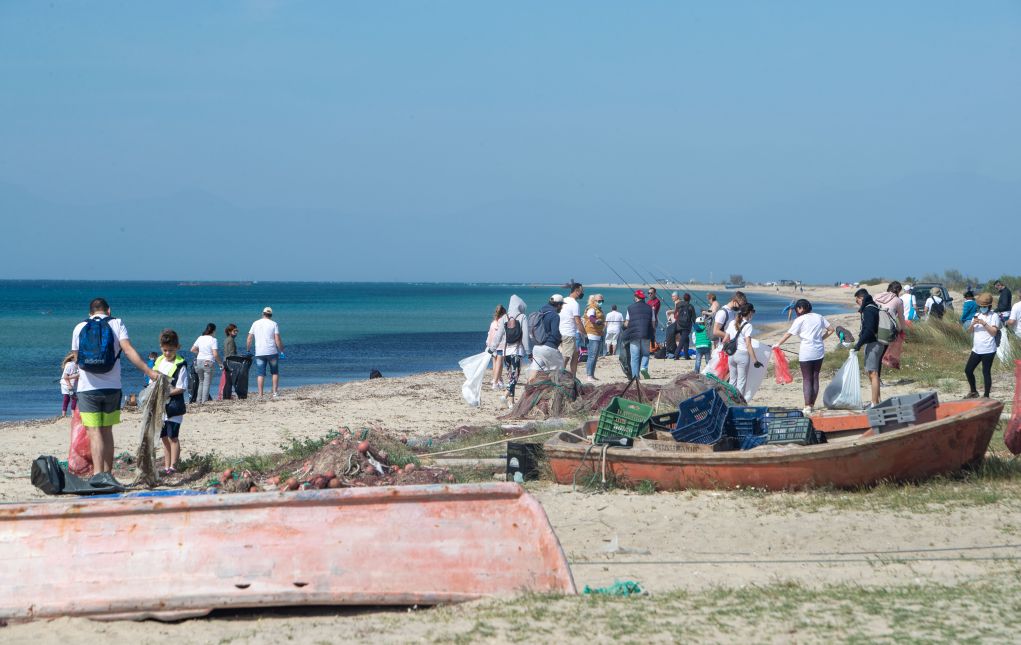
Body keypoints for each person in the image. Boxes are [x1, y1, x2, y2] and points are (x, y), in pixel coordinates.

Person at [71, 297, 159, 479]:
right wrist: (148, 371)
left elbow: (76, 358)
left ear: (90, 313)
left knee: (94, 432)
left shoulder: (79, 327)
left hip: (87, 389)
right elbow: (127, 350)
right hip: (112, 387)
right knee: (107, 430)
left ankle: (97, 475)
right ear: (108, 311)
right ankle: (108, 475)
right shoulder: (117, 323)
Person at [773, 299, 833, 414]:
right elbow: (831, 330)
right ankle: (812, 405)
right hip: (819, 350)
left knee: (807, 378)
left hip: (806, 351)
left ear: (801, 308)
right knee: (815, 377)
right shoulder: (819, 316)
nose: (796, 311)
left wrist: (778, 344)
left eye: (797, 309)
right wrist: (821, 338)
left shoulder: (800, 319)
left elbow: (788, 334)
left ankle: (807, 406)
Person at [154, 329, 189, 475]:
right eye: (165, 350)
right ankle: (166, 465)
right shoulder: (159, 360)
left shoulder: (181, 365)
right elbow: (153, 378)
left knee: (173, 436)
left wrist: (166, 392)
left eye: (171, 350)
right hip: (160, 406)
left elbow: (181, 388)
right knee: (164, 438)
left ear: (177, 347)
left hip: (174, 406)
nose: (167, 353)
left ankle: (174, 465)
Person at [492, 295, 530, 408]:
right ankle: (505, 395)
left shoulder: (505, 317)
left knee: (510, 376)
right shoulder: (522, 316)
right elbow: (525, 336)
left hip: (506, 352)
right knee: (515, 376)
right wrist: (528, 351)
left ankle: (511, 402)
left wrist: (492, 348)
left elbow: (498, 335)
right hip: (516, 351)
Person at [965, 293, 1002, 398]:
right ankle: (973, 391)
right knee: (968, 370)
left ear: (989, 306)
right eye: (981, 306)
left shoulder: (994, 316)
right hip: (976, 349)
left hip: (989, 349)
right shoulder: (977, 315)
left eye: (984, 307)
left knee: (986, 372)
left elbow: (994, 332)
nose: (982, 308)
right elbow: (969, 332)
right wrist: (973, 324)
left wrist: (984, 323)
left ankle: (986, 396)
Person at [722, 303, 762, 400]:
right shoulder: (748, 326)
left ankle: (729, 400)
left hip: (731, 354)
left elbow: (725, 340)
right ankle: (739, 403)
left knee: (732, 380)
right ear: (749, 313)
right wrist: (755, 360)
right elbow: (748, 344)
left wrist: (726, 351)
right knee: (741, 382)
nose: (752, 315)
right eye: (752, 312)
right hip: (742, 355)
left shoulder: (732, 322)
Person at [853, 288, 884, 407]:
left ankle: (874, 403)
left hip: (873, 343)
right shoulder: (874, 306)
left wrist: (858, 344)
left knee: (873, 373)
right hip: (876, 342)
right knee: (871, 372)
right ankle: (877, 400)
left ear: (861, 298)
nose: (858, 304)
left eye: (857, 301)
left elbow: (869, 330)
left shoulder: (869, 309)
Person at [247, 306, 284, 398]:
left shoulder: (255, 323)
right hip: (272, 351)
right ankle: (275, 393)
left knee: (260, 373)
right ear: (271, 315)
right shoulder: (274, 324)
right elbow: (277, 339)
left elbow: (249, 338)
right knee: (274, 372)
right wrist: (281, 350)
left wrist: (248, 349)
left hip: (259, 352)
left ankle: (260, 394)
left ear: (263, 314)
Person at [875, 281, 907, 372]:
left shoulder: (877, 296)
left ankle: (873, 376)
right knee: (881, 354)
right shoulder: (898, 301)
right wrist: (902, 329)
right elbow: (901, 317)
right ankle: (877, 378)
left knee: (874, 353)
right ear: (898, 291)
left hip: (873, 327)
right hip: (886, 330)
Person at [624, 289, 655, 380]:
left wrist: (624, 326)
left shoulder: (630, 308)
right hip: (646, 333)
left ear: (636, 297)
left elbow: (626, 323)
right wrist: (652, 333)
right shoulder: (650, 308)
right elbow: (653, 323)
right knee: (645, 353)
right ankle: (644, 367)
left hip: (633, 335)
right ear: (643, 298)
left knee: (634, 356)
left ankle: (635, 376)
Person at [190, 323, 222, 404]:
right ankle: (204, 401)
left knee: (201, 381)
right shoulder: (213, 340)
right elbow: (215, 354)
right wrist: (220, 364)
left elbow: (192, 349)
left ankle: (198, 400)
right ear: (213, 331)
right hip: (208, 362)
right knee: (206, 383)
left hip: (199, 361)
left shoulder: (200, 338)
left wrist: (200, 354)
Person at [531, 294, 564, 372]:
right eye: (562, 305)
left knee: (535, 371)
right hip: (549, 347)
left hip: (536, 347)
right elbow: (555, 333)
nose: (562, 307)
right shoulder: (554, 315)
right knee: (558, 370)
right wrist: (560, 339)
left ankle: (530, 383)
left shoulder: (541, 311)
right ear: (559, 305)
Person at [558, 282, 585, 376]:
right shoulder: (574, 304)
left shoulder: (563, 300)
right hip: (568, 333)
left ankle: (573, 376)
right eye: (582, 291)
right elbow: (577, 321)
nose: (582, 293)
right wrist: (584, 333)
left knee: (576, 353)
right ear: (577, 291)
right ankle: (559, 376)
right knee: (566, 357)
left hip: (560, 332)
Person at [583, 294, 606, 383]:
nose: (601, 302)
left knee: (596, 356)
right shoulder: (591, 308)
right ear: (594, 301)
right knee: (592, 356)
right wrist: (596, 321)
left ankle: (592, 375)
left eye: (602, 301)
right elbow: (591, 318)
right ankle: (589, 375)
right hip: (592, 334)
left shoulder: (599, 309)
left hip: (598, 334)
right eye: (599, 301)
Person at [485, 305, 507, 390]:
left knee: (494, 363)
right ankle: (496, 382)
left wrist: (489, 345)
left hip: (491, 346)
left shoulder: (493, 323)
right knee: (499, 364)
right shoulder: (503, 323)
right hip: (500, 345)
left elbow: (489, 335)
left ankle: (497, 380)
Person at [673, 293, 696, 360]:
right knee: (682, 340)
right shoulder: (691, 306)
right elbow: (694, 318)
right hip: (686, 326)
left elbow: (675, 314)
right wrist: (697, 327)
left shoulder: (678, 304)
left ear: (683, 298)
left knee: (686, 340)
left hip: (679, 325)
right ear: (689, 299)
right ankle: (676, 354)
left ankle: (686, 355)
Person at [60, 351, 79, 417]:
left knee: (73, 398)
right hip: (66, 384)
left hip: (73, 384)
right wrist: (69, 385)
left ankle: (69, 414)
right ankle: (67, 414)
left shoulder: (78, 365)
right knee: (71, 398)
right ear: (73, 358)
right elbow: (65, 377)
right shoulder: (70, 365)